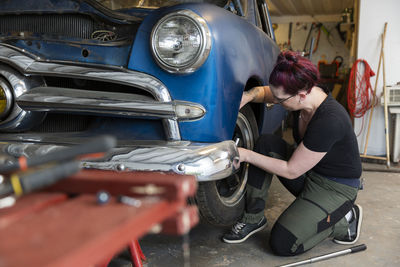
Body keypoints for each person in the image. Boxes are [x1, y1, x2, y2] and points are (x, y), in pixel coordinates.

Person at [222, 51, 363, 256]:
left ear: (301, 95)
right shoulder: (302, 94)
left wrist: (245, 154)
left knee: (284, 243)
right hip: (310, 171)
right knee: (266, 143)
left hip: (334, 188)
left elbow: (291, 171)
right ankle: (254, 218)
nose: (276, 102)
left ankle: (345, 219)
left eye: (280, 100)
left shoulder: (330, 120)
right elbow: (272, 93)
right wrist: (248, 95)